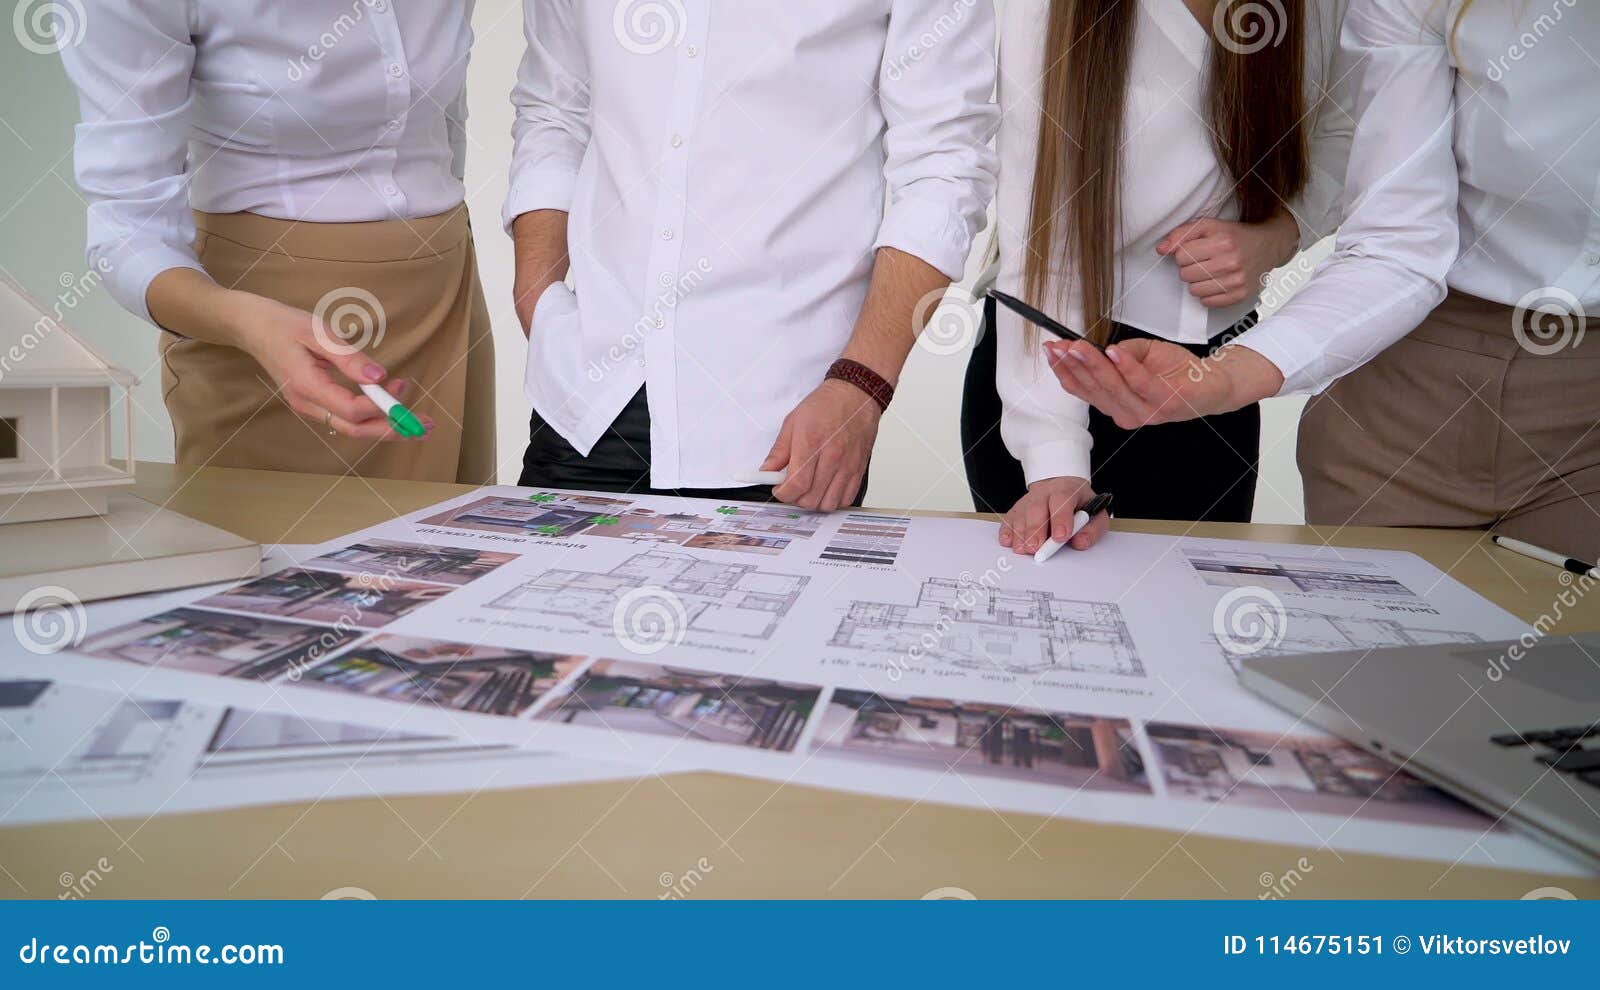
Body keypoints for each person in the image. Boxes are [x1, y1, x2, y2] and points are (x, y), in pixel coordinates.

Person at [1043, 0, 1599, 562]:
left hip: (1585, 395)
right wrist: (1222, 377)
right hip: (1409, 371)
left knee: (1564, 642)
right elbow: (1396, 242)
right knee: (1371, 633)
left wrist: (1277, 236)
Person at [507, 0, 997, 511]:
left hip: (787, 422)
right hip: (586, 396)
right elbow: (553, 110)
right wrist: (536, 298)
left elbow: (945, 166)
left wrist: (862, 384)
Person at [965, 0, 1352, 555]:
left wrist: (1279, 232)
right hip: (1045, 374)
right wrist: (1054, 457)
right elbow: (1043, 244)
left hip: (1217, 384)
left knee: (1190, 625)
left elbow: (1342, 128)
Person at [61, 1, 495, 483]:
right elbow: (127, 230)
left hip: (445, 300)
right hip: (261, 321)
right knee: (277, 546)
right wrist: (245, 324)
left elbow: (445, 126)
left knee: (460, 545)